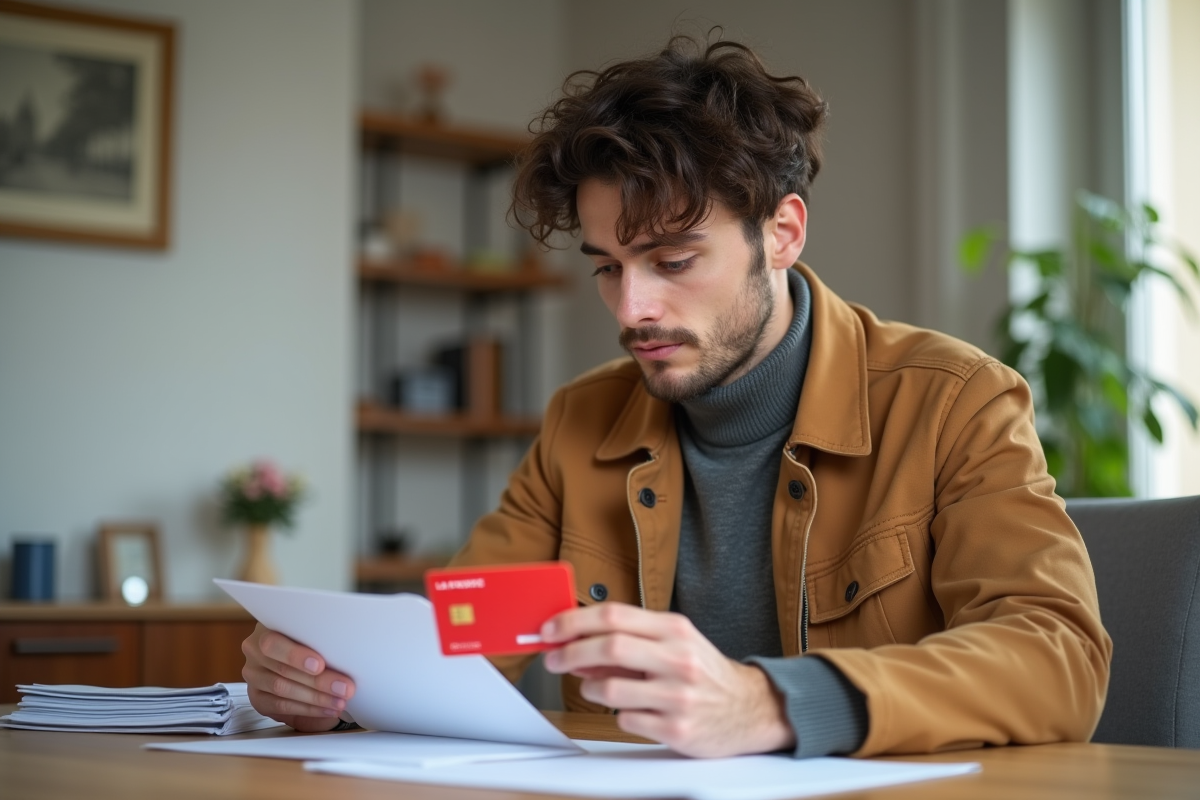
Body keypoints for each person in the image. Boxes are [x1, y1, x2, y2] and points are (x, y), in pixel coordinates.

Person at [242, 34, 1111, 759]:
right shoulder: (581, 421)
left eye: (673, 260)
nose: (633, 309)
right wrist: (337, 685)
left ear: (782, 231)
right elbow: (470, 630)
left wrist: (770, 703)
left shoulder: (956, 400)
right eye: (608, 269)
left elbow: (1057, 657)